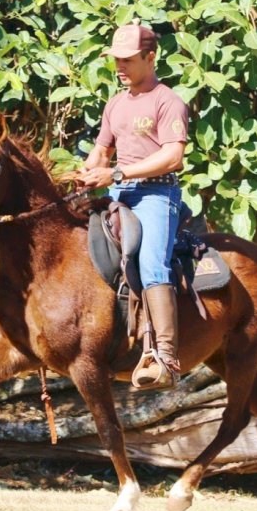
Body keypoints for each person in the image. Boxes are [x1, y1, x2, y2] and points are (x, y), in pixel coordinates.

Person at [79, 22, 189, 389]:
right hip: (118, 193)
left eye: (127, 60)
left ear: (150, 57)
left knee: (151, 264)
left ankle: (166, 358)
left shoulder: (167, 101)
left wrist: (117, 173)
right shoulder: (115, 103)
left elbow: (174, 157)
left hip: (156, 195)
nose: (119, 67)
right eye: (116, 60)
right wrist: (86, 171)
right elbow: (101, 150)